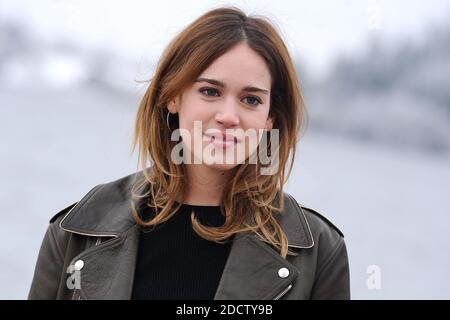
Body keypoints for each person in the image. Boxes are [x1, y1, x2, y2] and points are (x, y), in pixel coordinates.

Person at [28, 6, 350, 300]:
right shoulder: (77, 230)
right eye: (210, 91)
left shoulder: (319, 253)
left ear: (270, 118)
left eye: (250, 99)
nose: (228, 116)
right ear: (173, 97)